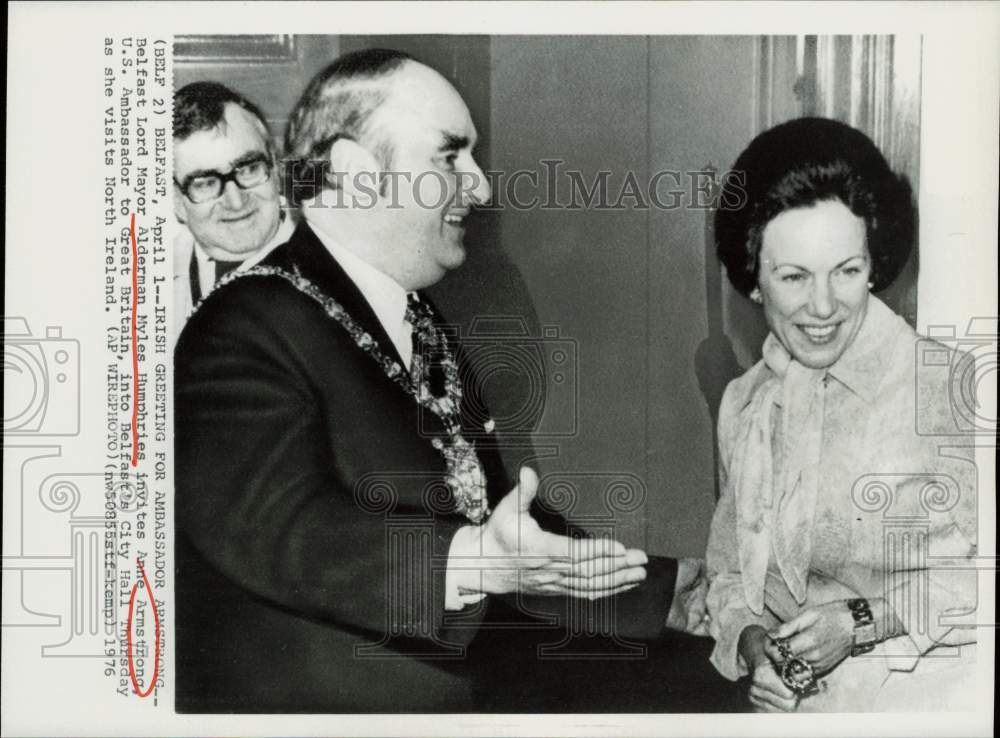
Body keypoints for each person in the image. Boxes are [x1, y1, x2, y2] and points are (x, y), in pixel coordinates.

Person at [175, 49, 734, 713]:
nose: (480, 187)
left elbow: (502, 528)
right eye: (449, 156)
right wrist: (473, 562)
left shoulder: (416, 316)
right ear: (357, 175)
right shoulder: (241, 326)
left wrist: (666, 593)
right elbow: (285, 529)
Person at [707, 117, 978, 712]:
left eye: (847, 271)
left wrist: (863, 622)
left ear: (874, 264)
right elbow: (728, 578)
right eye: (794, 276)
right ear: (754, 281)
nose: (824, 306)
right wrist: (754, 648)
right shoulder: (745, 405)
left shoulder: (948, 386)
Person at [171, 82, 295, 335]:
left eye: (249, 169)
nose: (236, 201)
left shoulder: (334, 265)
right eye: (206, 183)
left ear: (275, 166)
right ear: (176, 201)